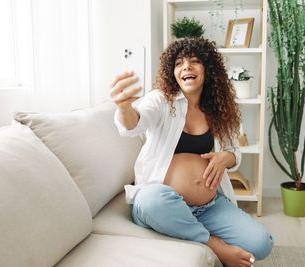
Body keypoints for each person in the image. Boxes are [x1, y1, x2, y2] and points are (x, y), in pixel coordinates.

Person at [110, 37, 273, 267]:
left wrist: (227, 158)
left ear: (208, 69)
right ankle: (212, 243)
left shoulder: (219, 109)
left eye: (195, 61)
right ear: (172, 72)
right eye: (179, 63)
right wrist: (124, 108)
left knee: (261, 243)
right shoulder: (161, 100)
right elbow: (135, 123)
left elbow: (233, 151)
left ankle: (186, 228)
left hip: (208, 207)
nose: (186, 66)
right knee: (150, 200)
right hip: (162, 204)